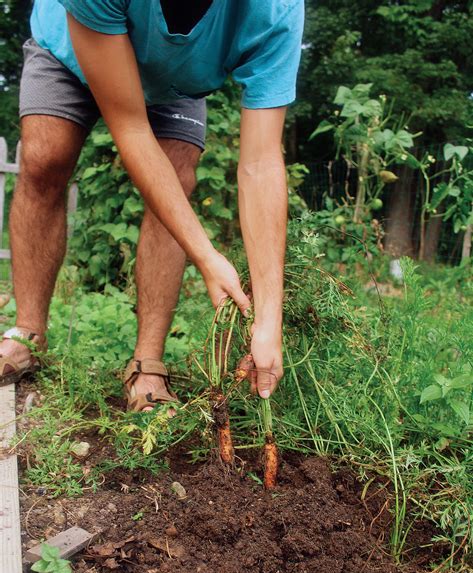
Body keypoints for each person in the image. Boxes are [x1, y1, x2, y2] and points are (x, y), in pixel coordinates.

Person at [0, 0, 304, 411]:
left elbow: (261, 163)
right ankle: (28, 332)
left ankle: (148, 361)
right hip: (74, 45)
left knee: (177, 177)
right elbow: (129, 127)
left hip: (172, 78)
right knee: (44, 157)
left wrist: (270, 317)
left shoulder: (275, 10)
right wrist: (207, 256)